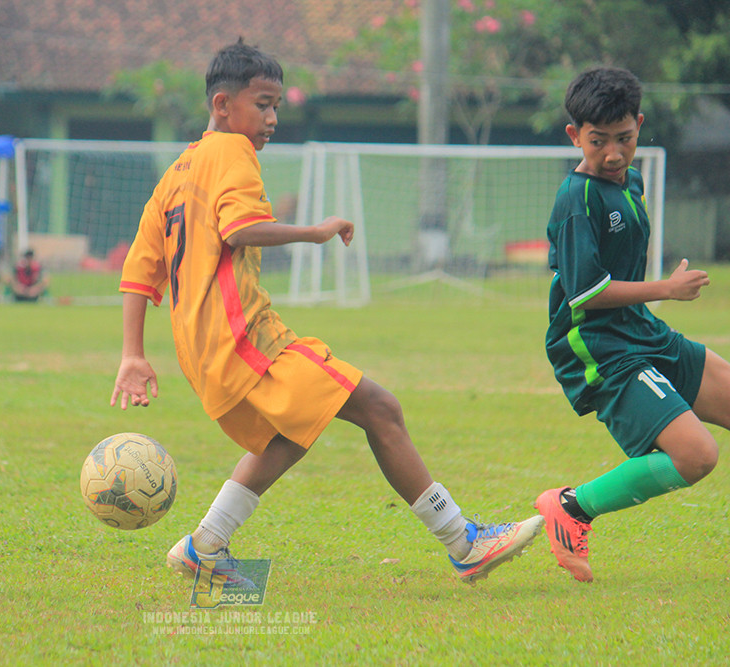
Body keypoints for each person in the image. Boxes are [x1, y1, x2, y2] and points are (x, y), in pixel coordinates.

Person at [110, 40, 543, 586]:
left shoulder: (177, 171)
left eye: (276, 108)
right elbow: (239, 229)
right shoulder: (231, 152)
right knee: (380, 408)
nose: (270, 119)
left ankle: (205, 546)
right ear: (222, 106)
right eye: (262, 104)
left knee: (291, 433)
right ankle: (465, 542)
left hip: (204, 348)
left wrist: (132, 353)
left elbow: (138, 268)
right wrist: (313, 231)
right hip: (244, 337)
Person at [535, 66, 730, 583]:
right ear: (575, 136)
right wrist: (666, 289)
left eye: (624, 138)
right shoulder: (576, 200)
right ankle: (572, 507)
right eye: (599, 142)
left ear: (639, 125)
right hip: (600, 345)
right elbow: (588, 293)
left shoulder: (632, 182)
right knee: (696, 456)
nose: (614, 154)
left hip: (639, 331)